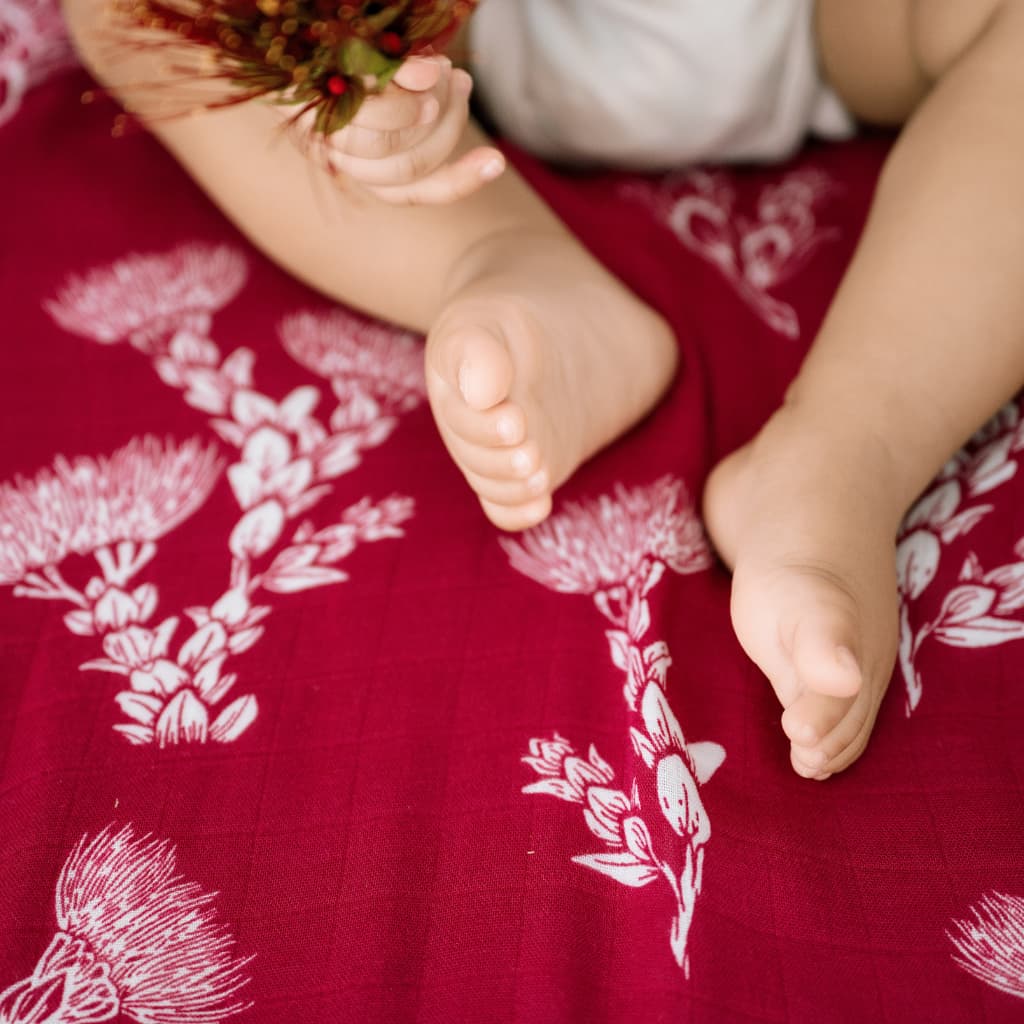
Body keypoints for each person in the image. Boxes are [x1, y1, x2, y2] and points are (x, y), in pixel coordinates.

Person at [62, 0, 1024, 780]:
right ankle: (496, 253)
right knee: (135, 9)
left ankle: (843, 453)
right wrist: (353, 54)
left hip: (835, 22)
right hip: (471, 29)